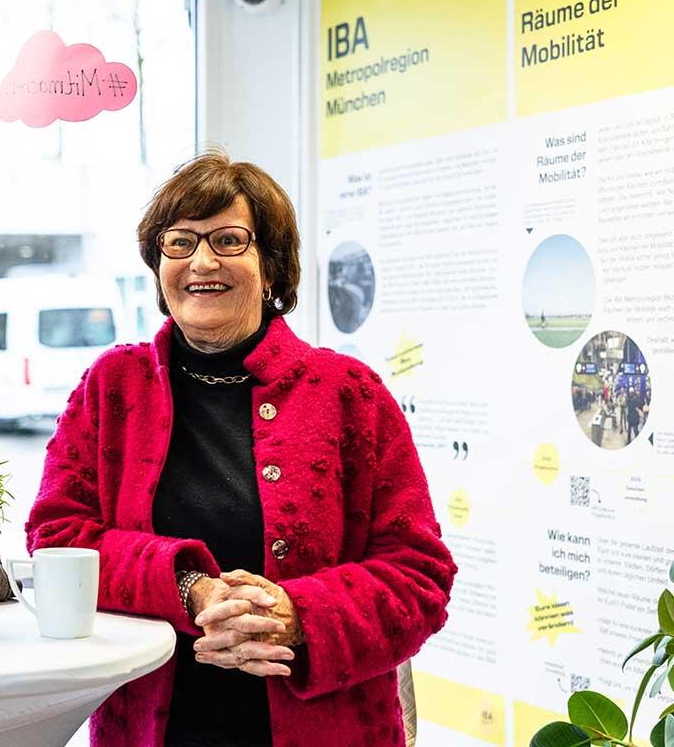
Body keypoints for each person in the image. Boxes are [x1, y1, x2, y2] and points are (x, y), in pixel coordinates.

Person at [25, 149, 456, 747]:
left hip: (328, 727)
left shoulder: (349, 393)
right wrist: (188, 587)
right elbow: (57, 537)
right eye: (179, 242)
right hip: (155, 725)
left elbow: (419, 575)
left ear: (272, 266)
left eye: (229, 240)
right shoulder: (113, 387)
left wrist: (299, 616)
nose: (201, 261)